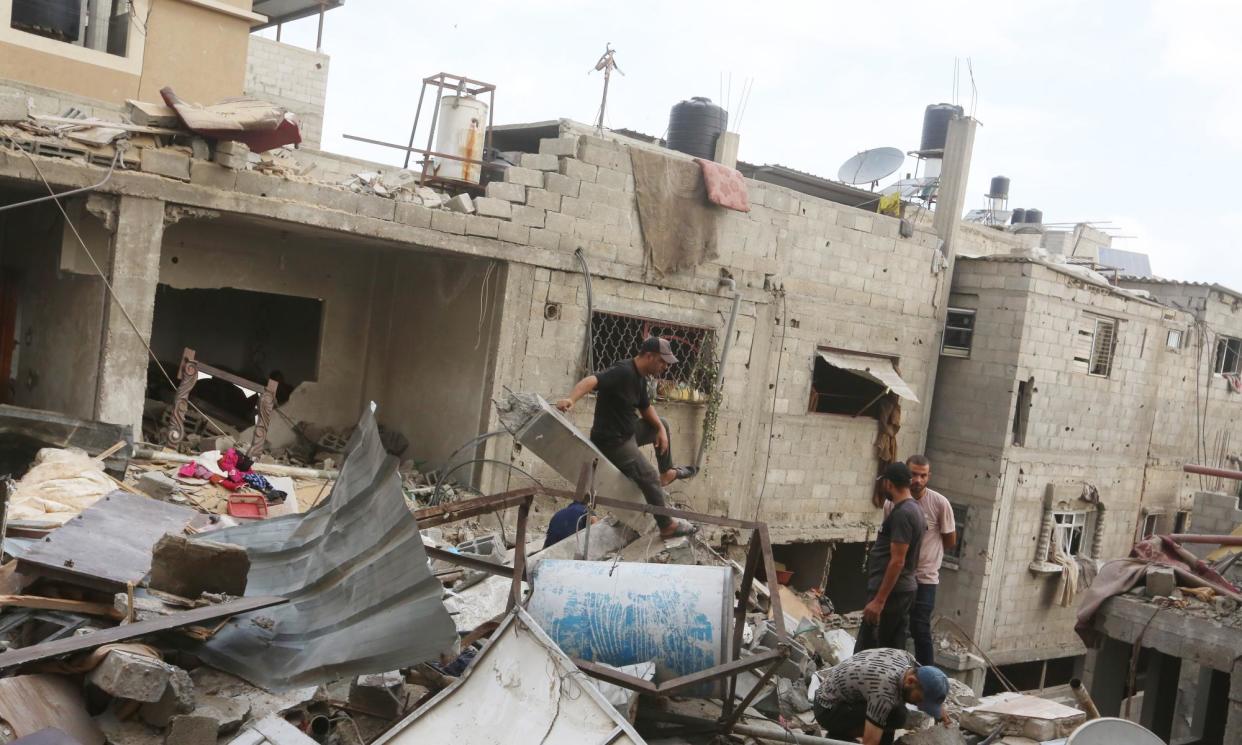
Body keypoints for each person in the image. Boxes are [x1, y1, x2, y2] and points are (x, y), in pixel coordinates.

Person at [555, 336, 698, 537]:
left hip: (628, 434)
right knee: (648, 476)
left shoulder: (640, 378)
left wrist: (661, 430)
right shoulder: (622, 371)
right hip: (612, 443)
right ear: (649, 356)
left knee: (661, 423)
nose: (665, 367)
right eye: (662, 362)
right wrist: (571, 399)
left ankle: (666, 472)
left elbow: (646, 408)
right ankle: (666, 525)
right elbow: (592, 380)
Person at [884, 454, 957, 666]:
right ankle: (895, 670)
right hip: (901, 575)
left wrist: (926, 554)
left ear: (929, 477)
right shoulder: (892, 504)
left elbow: (950, 540)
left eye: (923, 476)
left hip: (925, 578)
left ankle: (926, 677)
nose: (917, 480)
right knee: (896, 627)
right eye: (913, 474)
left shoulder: (939, 503)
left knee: (920, 628)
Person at [856, 461, 926, 654]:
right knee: (891, 652)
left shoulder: (904, 514)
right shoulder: (913, 509)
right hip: (900, 591)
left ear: (889, 483)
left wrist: (879, 601)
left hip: (892, 595)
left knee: (870, 654)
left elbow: (898, 561)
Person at [813, 647, 950, 745]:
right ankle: (839, 735)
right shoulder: (884, 691)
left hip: (843, 691)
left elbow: (928, 677)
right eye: (919, 700)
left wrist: (937, 706)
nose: (920, 706)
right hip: (827, 708)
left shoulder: (905, 657)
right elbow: (870, 742)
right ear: (910, 681)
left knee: (896, 713)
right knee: (894, 716)